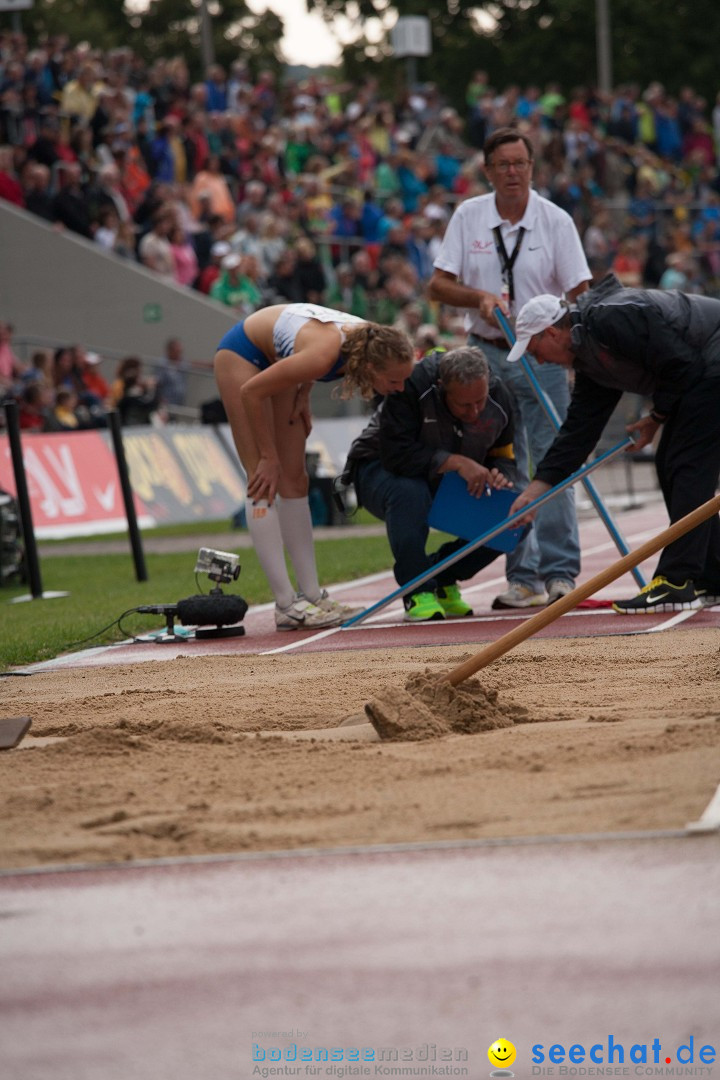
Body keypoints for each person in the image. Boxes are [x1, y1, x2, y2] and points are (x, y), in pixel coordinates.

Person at [427, 126, 592, 609]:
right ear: (488, 169)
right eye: (503, 164)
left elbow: (579, 290)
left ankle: (561, 571)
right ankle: (522, 575)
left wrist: (576, 350)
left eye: (521, 163)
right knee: (506, 463)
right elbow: (438, 286)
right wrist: (476, 297)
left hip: (541, 355)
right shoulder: (469, 215)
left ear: (532, 167)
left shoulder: (555, 221)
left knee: (554, 460)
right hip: (488, 354)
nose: (513, 172)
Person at [506, 276, 720, 613]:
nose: (541, 362)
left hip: (712, 358)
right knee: (671, 465)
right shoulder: (590, 360)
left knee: (686, 465)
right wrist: (538, 489)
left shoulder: (610, 320)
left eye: (535, 351)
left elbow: (682, 364)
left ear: (551, 332)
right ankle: (712, 576)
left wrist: (657, 416)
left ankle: (677, 580)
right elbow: (579, 431)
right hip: (702, 371)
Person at [214, 303, 415, 630]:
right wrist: (267, 456)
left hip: (280, 358)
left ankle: (312, 595)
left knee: (295, 480)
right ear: (370, 366)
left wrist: (303, 395)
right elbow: (251, 392)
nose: (400, 389)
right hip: (244, 356)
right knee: (263, 479)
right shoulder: (325, 354)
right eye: (394, 381)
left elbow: (302, 359)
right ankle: (285, 605)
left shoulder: (371, 340)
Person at [343, 346, 530, 621]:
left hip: (444, 481)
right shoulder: (411, 385)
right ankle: (418, 589)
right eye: (464, 405)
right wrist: (455, 461)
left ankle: (442, 576)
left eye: (480, 400)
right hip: (378, 469)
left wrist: (500, 473)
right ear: (442, 388)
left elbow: (504, 454)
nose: (475, 411)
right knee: (410, 492)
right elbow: (396, 455)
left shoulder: (500, 396)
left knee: (517, 515)